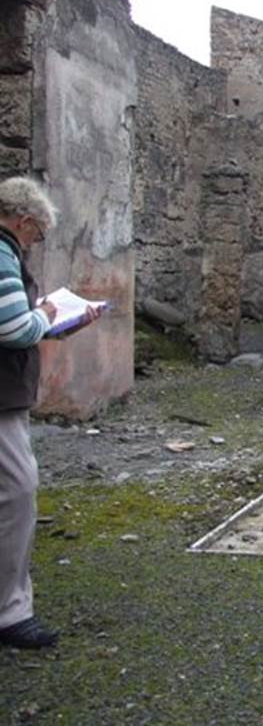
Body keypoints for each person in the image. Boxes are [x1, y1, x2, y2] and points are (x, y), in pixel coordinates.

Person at [0, 176, 99, 649]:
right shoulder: (1, 251)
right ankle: (10, 613)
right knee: (18, 494)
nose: (35, 244)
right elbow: (16, 329)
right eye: (37, 236)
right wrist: (50, 317)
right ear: (24, 222)